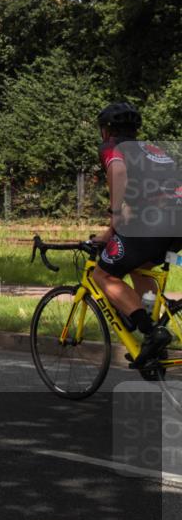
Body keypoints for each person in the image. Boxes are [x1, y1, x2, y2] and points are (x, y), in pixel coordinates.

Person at [91, 102, 182, 369]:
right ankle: (155, 338)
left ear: (107, 131)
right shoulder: (154, 150)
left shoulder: (112, 147)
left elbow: (118, 172)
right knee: (140, 267)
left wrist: (114, 220)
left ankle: (152, 333)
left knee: (103, 274)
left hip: (153, 222)